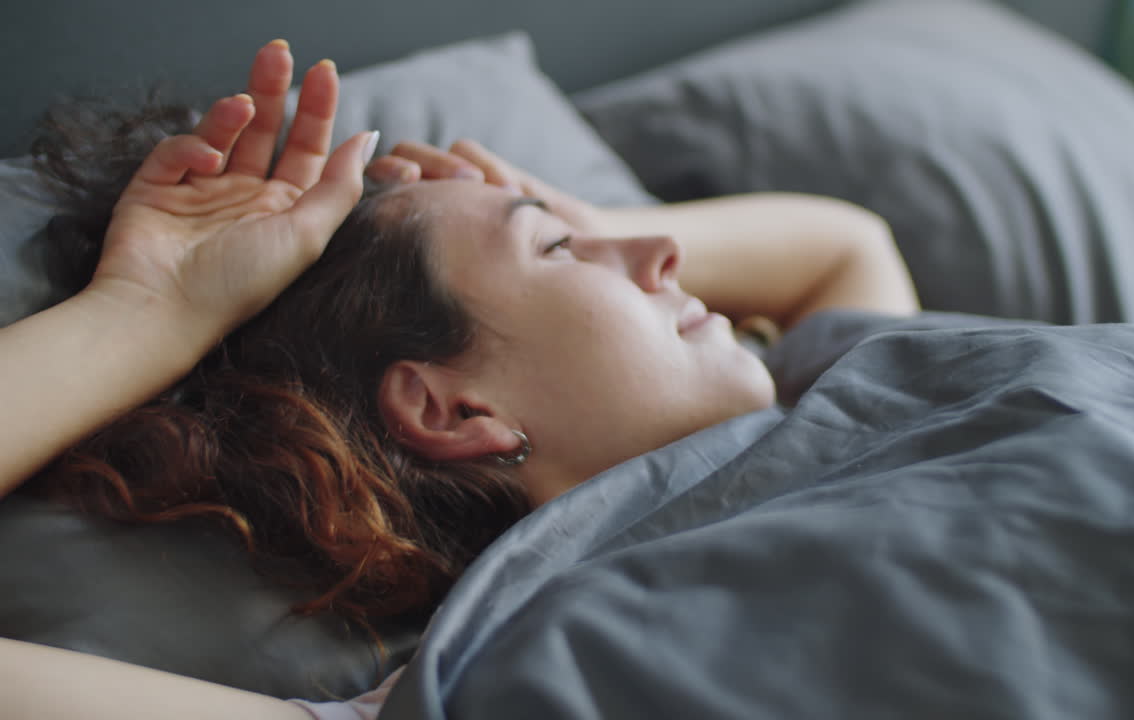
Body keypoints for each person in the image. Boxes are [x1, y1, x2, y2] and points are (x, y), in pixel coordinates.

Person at [0, 39, 919, 719]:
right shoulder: (489, 679)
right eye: (560, 249)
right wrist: (151, 308)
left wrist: (578, 212)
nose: (665, 247)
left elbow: (847, 246)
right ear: (448, 408)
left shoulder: (863, 393)